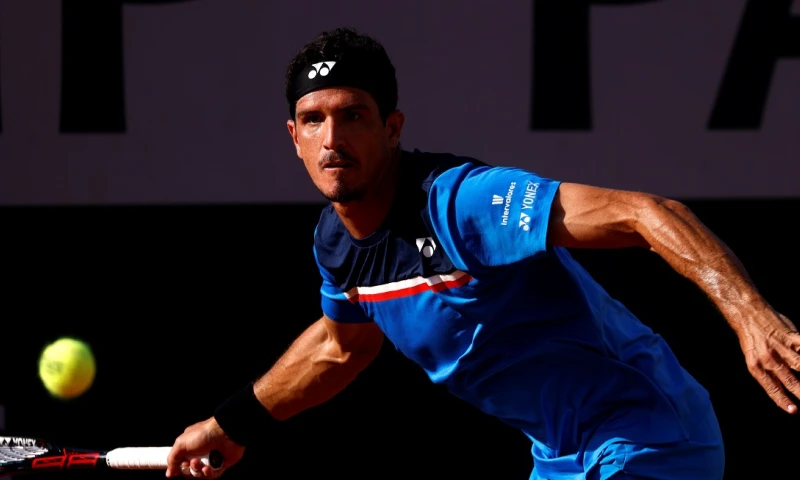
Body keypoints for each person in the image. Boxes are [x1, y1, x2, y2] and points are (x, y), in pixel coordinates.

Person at [165, 27, 800, 480]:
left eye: (354, 115)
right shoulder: (337, 245)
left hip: (648, 440)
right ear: (293, 137)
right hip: (560, 457)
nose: (332, 139)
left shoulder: (462, 202)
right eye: (313, 120)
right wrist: (232, 424)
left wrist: (750, 315)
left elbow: (645, 213)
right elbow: (339, 347)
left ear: (391, 127)